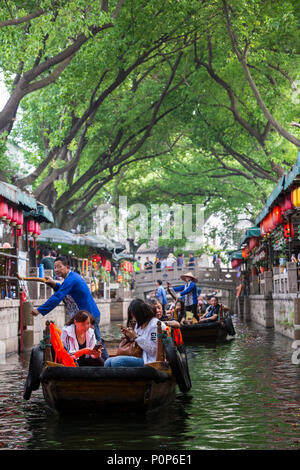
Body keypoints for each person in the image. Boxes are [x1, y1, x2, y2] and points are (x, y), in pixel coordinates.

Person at [30, 255, 108, 359]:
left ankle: (105, 362)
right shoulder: (70, 279)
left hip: (89, 315)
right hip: (82, 316)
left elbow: (58, 296)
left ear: (67, 267)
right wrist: (53, 283)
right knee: (83, 339)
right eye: (55, 267)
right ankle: (82, 361)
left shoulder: (72, 279)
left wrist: (40, 310)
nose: (57, 270)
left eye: (59, 267)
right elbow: (64, 290)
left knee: (97, 341)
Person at [104, 299, 167, 368]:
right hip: (139, 356)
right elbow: (137, 342)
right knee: (108, 362)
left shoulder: (155, 326)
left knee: (116, 362)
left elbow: (153, 350)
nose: (133, 318)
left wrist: (136, 337)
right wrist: (128, 335)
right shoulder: (139, 324)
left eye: (133, 315)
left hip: (150, 360)